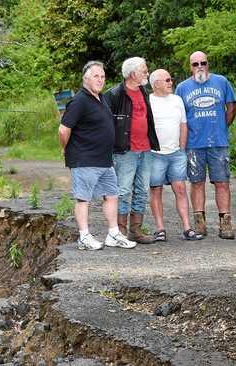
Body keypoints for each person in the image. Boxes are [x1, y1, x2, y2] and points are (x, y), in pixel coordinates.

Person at [59, 61, 136, 250]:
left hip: (104, 159)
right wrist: (66, 149)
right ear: (86, 78)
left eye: (102, 77)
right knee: (83, 198)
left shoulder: (100, 98)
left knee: (111, 195)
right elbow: (63, 130)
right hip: (85, 158)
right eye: (96, 76)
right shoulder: (79, 101)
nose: (100, 80)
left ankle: (113, 234)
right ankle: (84, 237)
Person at [175, 51, 236, 239]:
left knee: (222, 182)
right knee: (197, 183)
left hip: (218, 142)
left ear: (208, 64)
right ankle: (199, 222)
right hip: (194, 144)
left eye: (203, 62)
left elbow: (232, 107)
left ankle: (225, 223)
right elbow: (179, 116)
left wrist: (221, 126)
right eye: (195, 64)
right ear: (190, 67)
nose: (200, 66)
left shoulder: (221, 82)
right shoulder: (182, 88)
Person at [103, 57, 159, 245]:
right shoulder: (115, 94)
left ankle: (135, 231)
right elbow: (106, 124)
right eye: (144, 70)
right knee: (123, 190)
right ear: (132, 74)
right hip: (125, 150)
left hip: (145, 149)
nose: (147, 73)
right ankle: (119, 231)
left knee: (142, 190)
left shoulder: (143, 90)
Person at [147, 69, 203, 241]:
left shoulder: (177, 100)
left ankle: (187, 228)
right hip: (155, 153)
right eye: (167, 80)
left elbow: (183, 125)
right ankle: (160, 229)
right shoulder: (148, 100)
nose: (171, 82)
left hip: (176, 153)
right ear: (156, 83)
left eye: (171, 79)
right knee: (156, 189)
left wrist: (182, 148)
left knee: (180, 188)